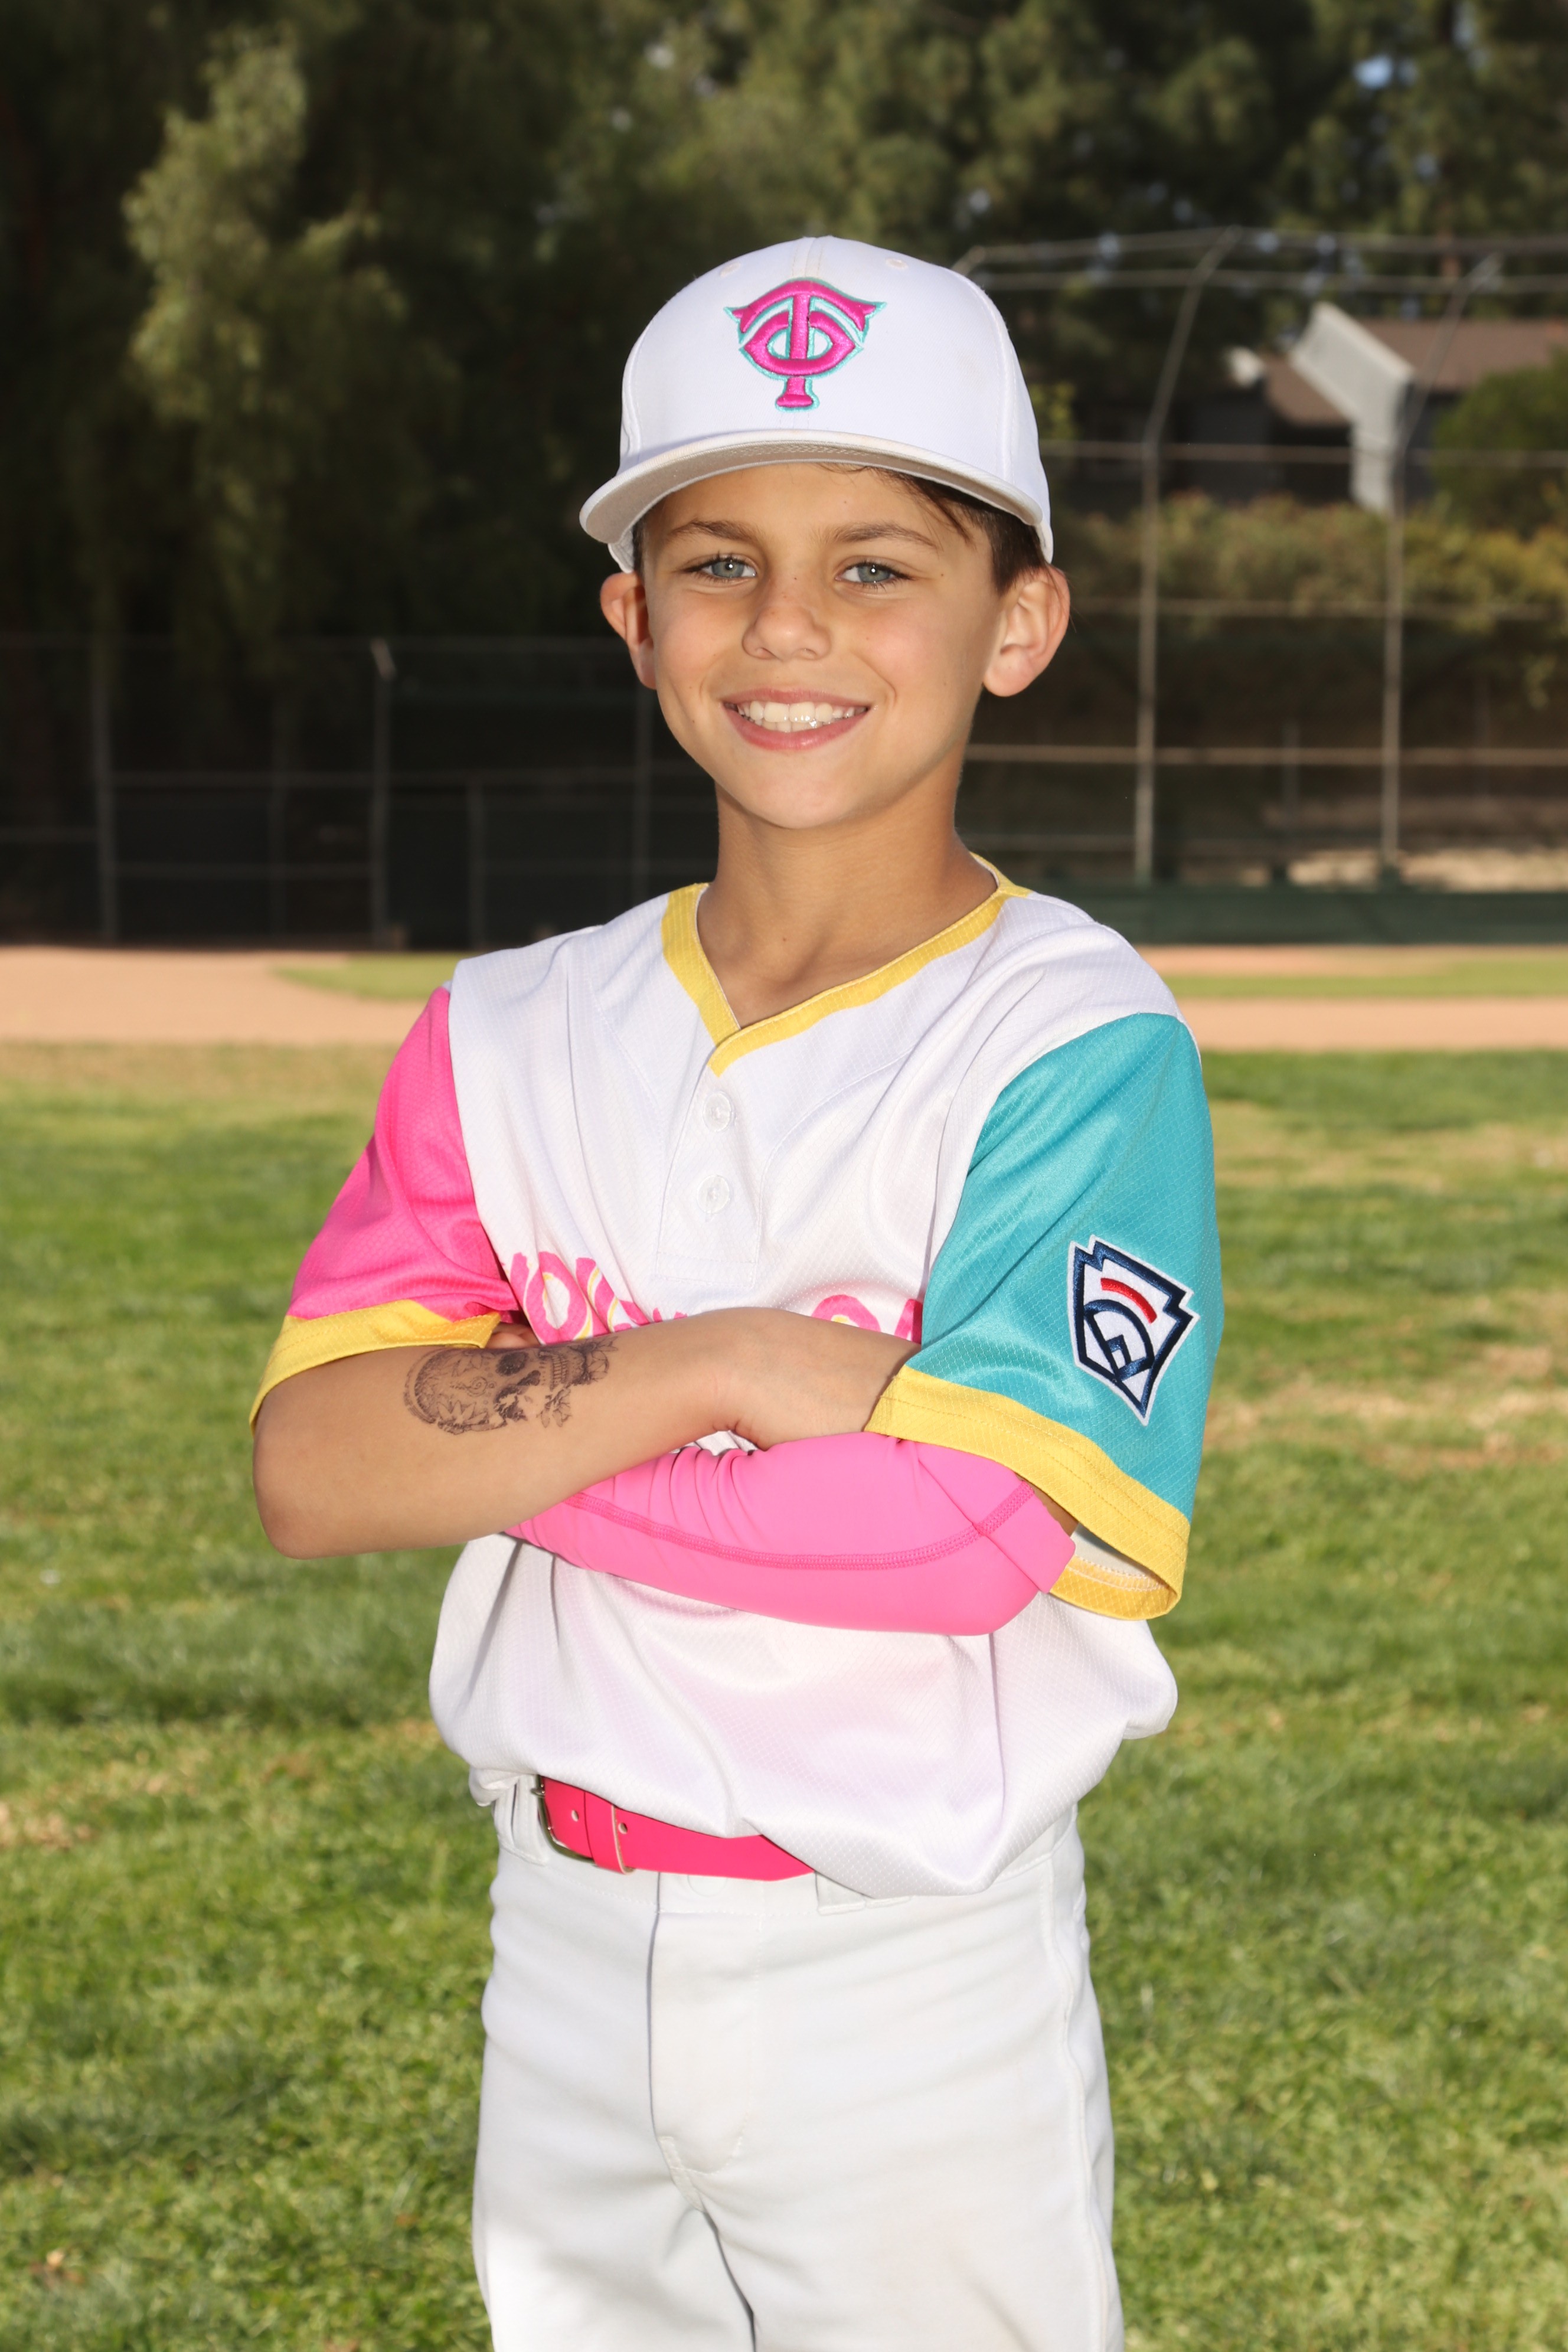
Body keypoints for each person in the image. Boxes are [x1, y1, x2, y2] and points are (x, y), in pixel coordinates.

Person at [252, 236, 1221, 2352]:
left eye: (878, 565)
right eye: (717, 563)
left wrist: (500, 1438)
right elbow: (313, 1466)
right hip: (565, 1940)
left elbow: (957, 1530)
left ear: (1020, 621)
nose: (789, 627)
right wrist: (719, 1367)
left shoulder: (1071, 1041)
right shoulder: (507, 1028)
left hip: (907, 1968)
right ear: (635, 619)